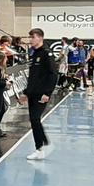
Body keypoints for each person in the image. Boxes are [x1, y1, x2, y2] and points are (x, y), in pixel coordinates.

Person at [21, 28, 57, 160]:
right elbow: (33, 76)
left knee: (35, 119)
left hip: (42, 93)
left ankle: (40, 147)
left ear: (40, 38)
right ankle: (43, 145)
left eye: (33, 37)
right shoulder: (34, 53)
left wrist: (47, 93)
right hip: (33, 93)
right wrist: (26, 92)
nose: (30, 40)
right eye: (29, 37)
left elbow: (53, 75)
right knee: (33, 120)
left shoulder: (47, 54)